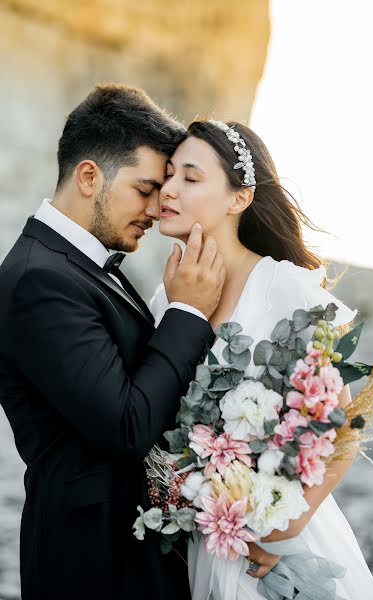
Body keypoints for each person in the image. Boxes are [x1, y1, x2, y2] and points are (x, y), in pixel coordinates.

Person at [0, 85, 226, 600]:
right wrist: (188, 311)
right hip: (90, 560)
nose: (156, 206)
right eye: (144, 188)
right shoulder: (39, 279)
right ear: (88, 176)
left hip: (127, 544)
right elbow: (126, 423)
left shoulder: (79, 264)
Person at [150, 119, 373, 599]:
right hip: (206, 540)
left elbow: (341, 421)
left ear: (240, 198)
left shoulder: (283, 286)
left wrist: (284, 530)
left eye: (190, 178)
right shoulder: (164, 299)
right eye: (168, 174)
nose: (168, 190)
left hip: (281, 544)